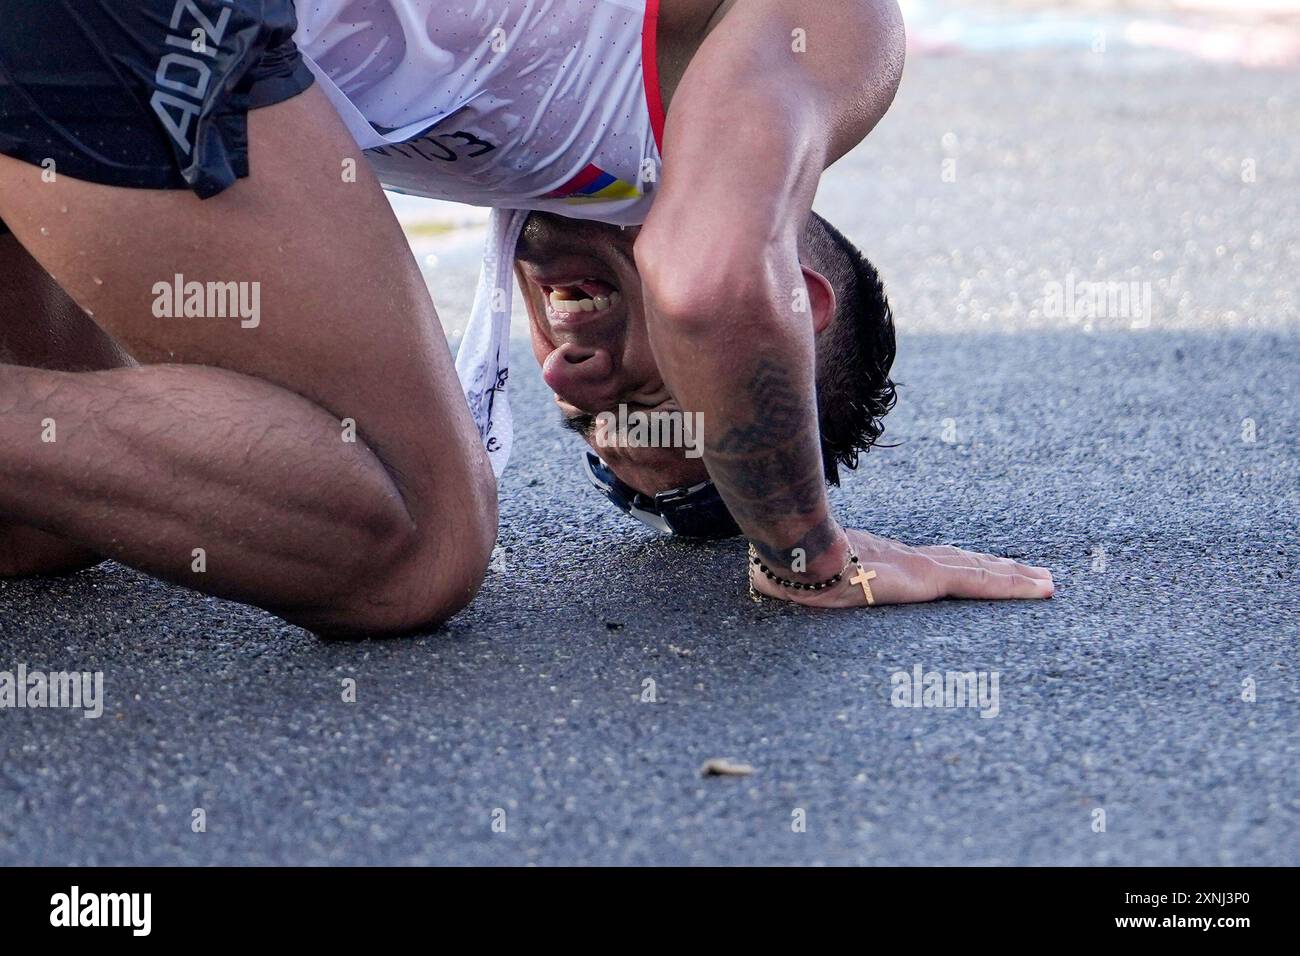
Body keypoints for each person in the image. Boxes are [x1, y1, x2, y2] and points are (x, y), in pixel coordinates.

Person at [0, 0, 1050, 636]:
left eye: (589, 420)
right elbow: (707, 285)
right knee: (420, 541)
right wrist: (807, 554)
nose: (571, 380)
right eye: (648, 391)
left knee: (46, 518)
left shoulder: (543, 124)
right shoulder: (834, 40)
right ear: (802, 307)